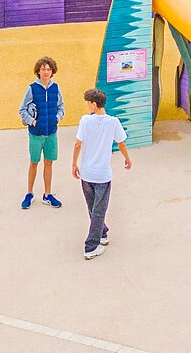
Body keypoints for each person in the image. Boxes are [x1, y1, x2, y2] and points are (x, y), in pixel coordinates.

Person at [71, 88, 131, 260]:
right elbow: (121, 143)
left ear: (94, 104)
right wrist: (127, 159)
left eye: (88, 103)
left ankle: (97, 239)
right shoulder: (113, 122)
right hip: (103, 175)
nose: (87, 106)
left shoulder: (85, 121)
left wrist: (74, 164)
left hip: (87, 174)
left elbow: (77, 144)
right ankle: (96, 240)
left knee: (94, 208)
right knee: (98, 210)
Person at [18, 56, 64, 209]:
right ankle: (29, 193)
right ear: (38, 71)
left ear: (52, 71)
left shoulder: (56, 88)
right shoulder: (31, 88)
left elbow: (61, 108)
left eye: (49, 69)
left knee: (49, 163)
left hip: (51, 133)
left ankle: (47, 195)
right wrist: (32, 121)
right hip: (36, 134)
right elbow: (22, 110)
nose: (46, 71)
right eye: (43, 69)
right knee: (34, 162)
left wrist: (56, 118)